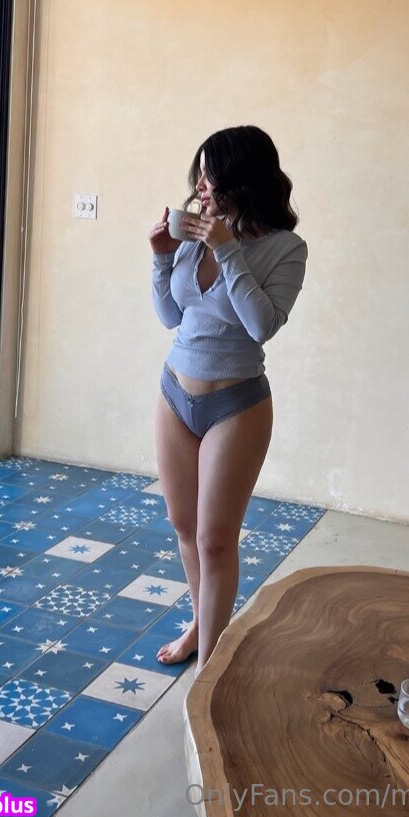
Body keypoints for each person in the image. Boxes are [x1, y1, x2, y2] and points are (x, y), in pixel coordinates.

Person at [148, 125, 308, 677]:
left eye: (211, 176)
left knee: (216, 541)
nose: (201, 187)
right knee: (184, 528)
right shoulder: (193, 236)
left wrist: (227, 249)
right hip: (175, 392)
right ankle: (201, 623)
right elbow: (171, 317)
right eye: (199, 176)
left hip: (236, 404)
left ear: (242, 179)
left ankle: (209, 670)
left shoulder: (286, 248)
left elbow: (262, 325)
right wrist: (161, 257)